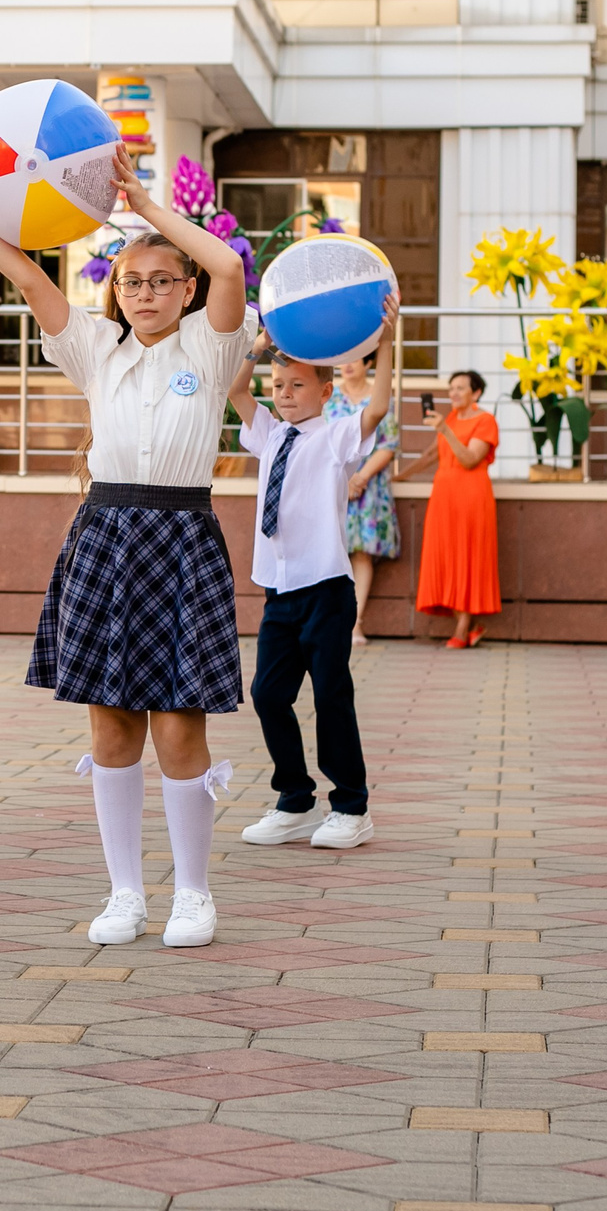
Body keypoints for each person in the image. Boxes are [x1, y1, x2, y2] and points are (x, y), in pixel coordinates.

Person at [0, 135, 249, 949]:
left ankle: (193, 893)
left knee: (181, 725)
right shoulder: (96, 349)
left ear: (183, 290)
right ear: (116, 291)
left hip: (182, 536)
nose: (145, 292)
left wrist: (146, 210)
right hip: (107, 534)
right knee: (111, 723)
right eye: (131, 281)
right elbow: (28, 276)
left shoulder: (212, 348)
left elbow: (229, 271)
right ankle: (124, 894)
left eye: (160, 281)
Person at [229, 326, 398, 852]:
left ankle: (351, 805)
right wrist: (255, 351)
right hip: (281, 589)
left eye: (296, 386)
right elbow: (236, 392)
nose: (283, 394)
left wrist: (385, 347)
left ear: (325, 392)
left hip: (325, 588)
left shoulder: (337, 435)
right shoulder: (270, 434)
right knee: (267, 695)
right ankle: (295, 800)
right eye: (278, 385)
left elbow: (376, 407)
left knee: (330, 695)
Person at [407, 368, 503, 648]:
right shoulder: (449, 418)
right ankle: (468, 623)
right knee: (447, 555)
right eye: (451, 388)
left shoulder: (485, 421)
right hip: (444, 496)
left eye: (461, 388)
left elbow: (470, 458)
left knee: (469, 556)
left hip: (471, 496)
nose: (454, 393)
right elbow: (432, 455)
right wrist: (397, 476)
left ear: (476, 393)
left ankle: (463, 626)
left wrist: (445, 430)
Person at [329, 342, 399, 648]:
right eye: (344, 359)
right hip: (331, 483)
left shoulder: (379, 396)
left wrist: (360, 477)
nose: (348, 365)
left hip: (369, 487)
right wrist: (343, 478)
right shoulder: (328, 395)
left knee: (361, 552)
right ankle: (331, 621)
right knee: (332, 549)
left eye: (355, 359)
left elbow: (388, 443)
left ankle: (356, 623)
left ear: (369, 363)